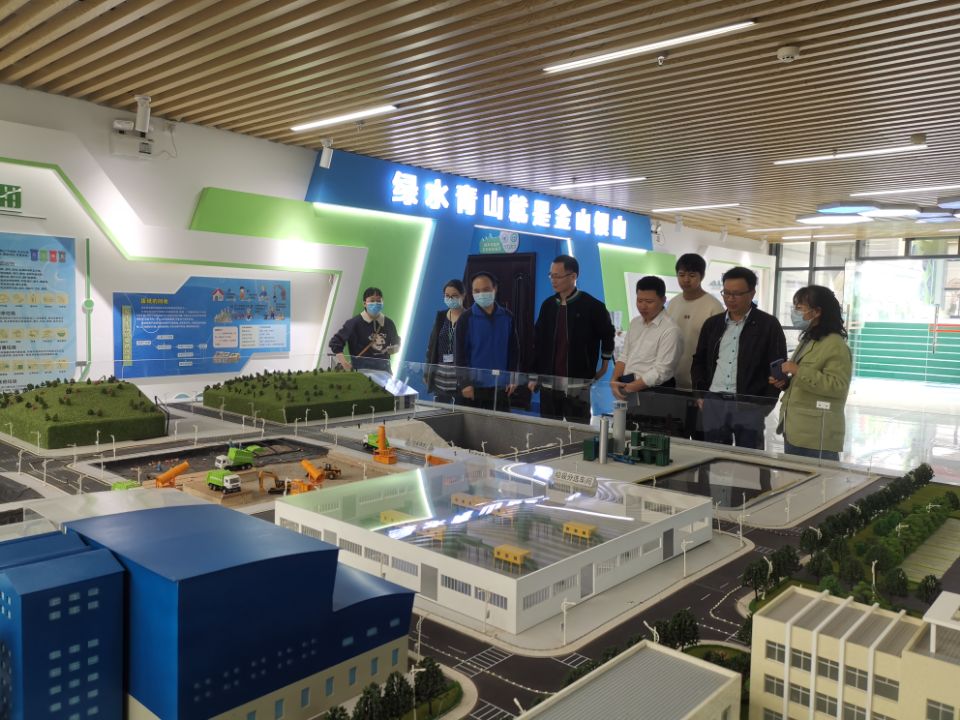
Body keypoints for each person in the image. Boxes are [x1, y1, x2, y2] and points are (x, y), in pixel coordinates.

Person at [691, 266, 786, 450]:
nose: (730, 299)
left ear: (752, 293)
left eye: (736, 294)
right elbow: (699, 361)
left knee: (750, 459)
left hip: (748, 403)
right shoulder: (713, 324)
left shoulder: (768, 325)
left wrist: (764, 405)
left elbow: (777, 367)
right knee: (714, 456)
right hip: (715, 401)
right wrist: (701, 394)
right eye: (726, 293)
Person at [528, 255, 615, 423]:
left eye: (557, 276)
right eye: (551, 275)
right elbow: (538, 342)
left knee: (577, 429)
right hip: (549, 383)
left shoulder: (592, 306)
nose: (553, 280)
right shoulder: (548, 305)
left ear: (573, 276)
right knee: (548, 430)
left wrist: (604, 366)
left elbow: (607, 334)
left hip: (578, 384)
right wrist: (534, 374)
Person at [771, 285, 852, 461]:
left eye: (799, 308)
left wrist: (798, 370)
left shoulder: (835, 344)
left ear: (817, 312)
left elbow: (838, 386)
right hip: (795, 428)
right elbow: (806, 381)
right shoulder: (810, 338)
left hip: (816, 434)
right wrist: (786, 383)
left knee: (818, 479)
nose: (795, 313)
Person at [611, 276, 683, 428]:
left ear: (663, 300)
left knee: (650, 437)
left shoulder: (671, 330)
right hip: (629, 390)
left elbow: (661, 371)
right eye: (639, 300)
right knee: (624, 434)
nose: (643, 306)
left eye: (649, 302)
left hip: (655, 393)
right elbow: (624, 356)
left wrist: (629, 388)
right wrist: (614, 381)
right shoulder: (635, 323)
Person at [665, 253, 724, 438]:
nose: (686, 280)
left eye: (692, 275)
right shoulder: (673, 303)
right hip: (674, 384)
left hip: (701, 388)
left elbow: (718, 350)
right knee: (676, 438)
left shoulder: (713, 306)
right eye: (681, 274)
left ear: (702, 276)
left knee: (701, 438)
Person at [455, 271, 520, 411]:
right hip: (473, 388)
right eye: (476, 291)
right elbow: (460, 354)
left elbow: (513, 351)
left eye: (486, 290)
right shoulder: (465, 318)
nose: (481, 294)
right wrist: (465, 383)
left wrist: (513, 378)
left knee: (501, 424)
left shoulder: (507, 317)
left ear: (495, 289)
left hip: (501, 387)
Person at [329, 287, 400, 371]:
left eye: (378, 301)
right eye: (372, 301)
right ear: (364, 303)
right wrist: (344, 363)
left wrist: (394, 348)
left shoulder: (389, 323)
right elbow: (335, 342)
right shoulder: (354, 323)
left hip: (384, 372)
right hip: (360, 372)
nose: (376, 303)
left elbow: (396, 343)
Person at [424, 279, 465, 403]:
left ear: (463, 295)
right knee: (439, 411)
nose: (450, 299)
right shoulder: (441, 317)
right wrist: (427, 372)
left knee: (459, 412)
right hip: (440, 379)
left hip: (460, 380)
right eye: (447, 296)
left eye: (454, 296)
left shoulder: (469, 318)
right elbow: (431, 347)